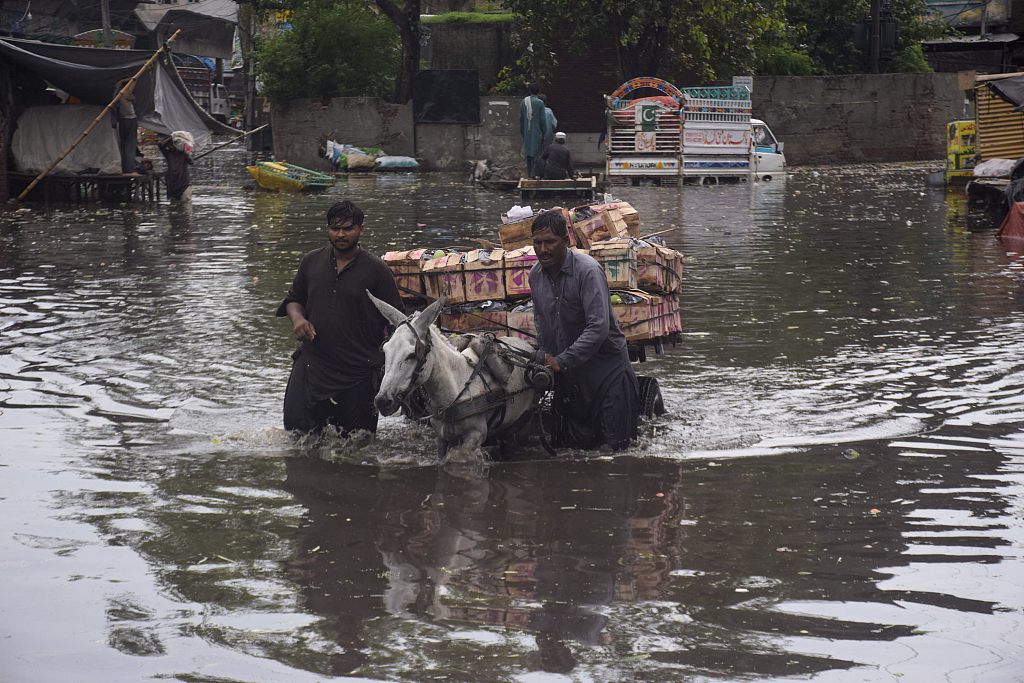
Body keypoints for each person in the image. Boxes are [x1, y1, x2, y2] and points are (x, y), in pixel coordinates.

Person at [277, 199, 406, 436]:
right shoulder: (312, 261)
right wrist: (298, 320)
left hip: (359, 371)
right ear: (327, 229)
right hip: (313, 363)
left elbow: (399, 322)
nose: (341, 234)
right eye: (335, 228)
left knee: (357, 444)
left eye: (348, 228)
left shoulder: (377, 270)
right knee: (295, 435)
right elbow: (294, 299)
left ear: (361, 230)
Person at [529, 210, 639, 450]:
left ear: (566, 241)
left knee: (612, 454)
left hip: (606, 373)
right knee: (569, 451)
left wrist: (561, 360)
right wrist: (545, 363)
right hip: (570, 376)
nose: (543, 249)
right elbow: (542, 325)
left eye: (550, 242)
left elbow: (599, 327)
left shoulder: (587, 270)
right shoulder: (535, 276)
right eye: (537, 243)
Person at [519, 83, 547, 178]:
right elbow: (542, 120)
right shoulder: (540, 103)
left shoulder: (524, 102)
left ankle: (529, 175)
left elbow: (521, 120)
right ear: (539, 92)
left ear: (530, 91)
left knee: (528, 155)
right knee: (536, 155)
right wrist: (544, 133)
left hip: (527, 133)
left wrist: (523, 133)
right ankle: (534, 175)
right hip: (537, 133)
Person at [158, 132, 194, 202]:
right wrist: (171, 137)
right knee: (174, 206)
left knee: (186, 205)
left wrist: (188, 154)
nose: (170, 146)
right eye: (169, 145)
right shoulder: (168, 154)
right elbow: (160, 145)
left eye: (171, 145)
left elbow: (191, 162)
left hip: (184, 184)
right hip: (173, 184)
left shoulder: (183, 154)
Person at [112, 77, 137, 175]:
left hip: (122, 121)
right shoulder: (126, 94)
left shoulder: (118, 93)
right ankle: (129, 170)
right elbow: (134, 81)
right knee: (130, 146)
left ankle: (125, 168)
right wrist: (132, 78)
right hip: (130, 120)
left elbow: (117, 84)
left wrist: (122, 80)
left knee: (124, 145)